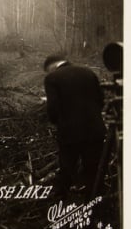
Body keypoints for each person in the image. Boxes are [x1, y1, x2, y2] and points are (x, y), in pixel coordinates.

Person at [43, 54, 106, 200]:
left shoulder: (52, 78)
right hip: (95, 130)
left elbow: (52, 108)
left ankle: (59, 201)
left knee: (67, 166)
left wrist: (56, 122)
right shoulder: (88, 72)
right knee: (93, 168)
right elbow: (101, 100)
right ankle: (95, 203)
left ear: (51, 66)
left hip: (69, 132)